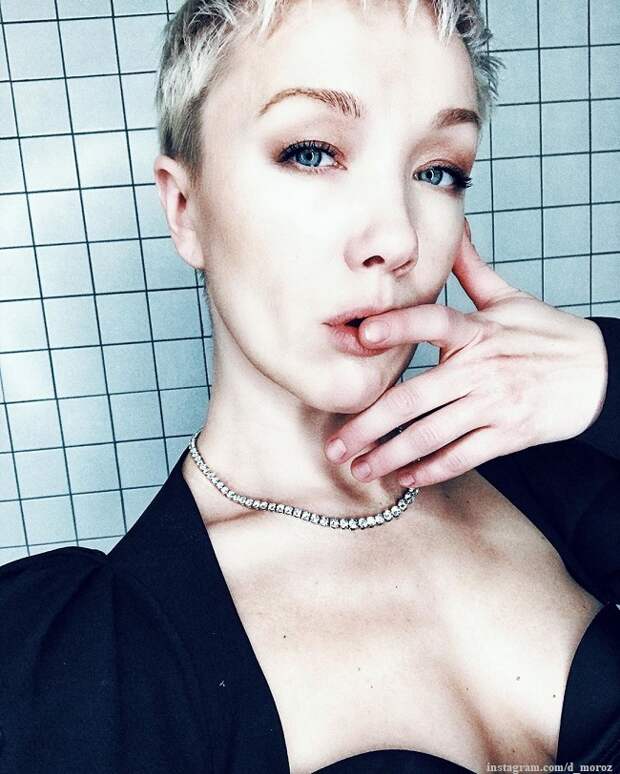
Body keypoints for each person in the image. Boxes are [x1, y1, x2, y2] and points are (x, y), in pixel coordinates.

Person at [0, 1, 618, 773]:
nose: (396, 238)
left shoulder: (561, 470)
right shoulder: (88, 661)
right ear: (185, 210)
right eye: (312, 153)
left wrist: (605, 375)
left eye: (437, 170)